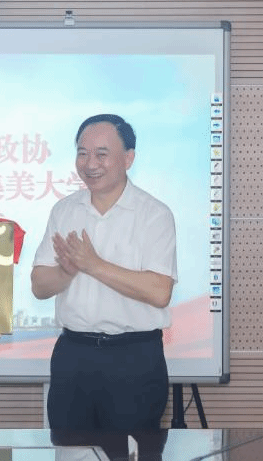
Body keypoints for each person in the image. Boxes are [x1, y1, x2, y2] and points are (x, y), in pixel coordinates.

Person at [31, 114, 177, 432]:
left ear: (128, 158)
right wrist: (67, 271)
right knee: (68, 449)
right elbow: (39, 286)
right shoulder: (64, 210)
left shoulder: (154, 215)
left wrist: (93, 264)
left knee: (133, 451)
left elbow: (159, 291)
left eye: (101, 154)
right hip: (73, 356)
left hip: (134, 359)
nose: (90, 164)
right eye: (82, 153)